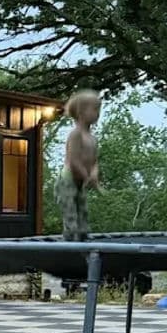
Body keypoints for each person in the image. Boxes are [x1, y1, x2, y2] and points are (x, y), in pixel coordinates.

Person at [55, 89, 101, 241]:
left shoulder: (92, 139)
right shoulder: (75, 135)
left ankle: (83, 235)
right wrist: (86, 176)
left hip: (80, 181)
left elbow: (94, 161)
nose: (97, 113)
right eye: (94, 109)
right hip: (68, 180)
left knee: (82, 210)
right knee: (71, 212)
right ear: (81, 112)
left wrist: (94, 174)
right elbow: (73, 160)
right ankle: (70, 239)